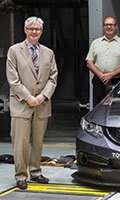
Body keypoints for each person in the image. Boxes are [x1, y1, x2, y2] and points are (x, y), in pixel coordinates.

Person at [6, 16, 58, 189]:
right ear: (25, 30)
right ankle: (21, 175)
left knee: (37, 142)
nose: (34, 32)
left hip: (42, 104)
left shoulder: (48, 53)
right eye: (31, 29)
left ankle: (36, 172)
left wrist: (43, 96)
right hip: (21, 104)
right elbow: (13, 80)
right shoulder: (14, 51)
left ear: (41, 32)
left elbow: (53, 78)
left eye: (37, 29)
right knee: (20, 142)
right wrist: (29, 97)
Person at [86, 16, 120, 106]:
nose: (109, 27)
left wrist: (111, 75)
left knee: (117, 107)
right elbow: (89, 63)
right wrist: (102, 76)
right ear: (103, 27)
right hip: (99, 81)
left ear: (116, 27)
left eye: (111, 25)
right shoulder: (95, 43)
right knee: (98, 107)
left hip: (118, 81)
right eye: (106, 25)